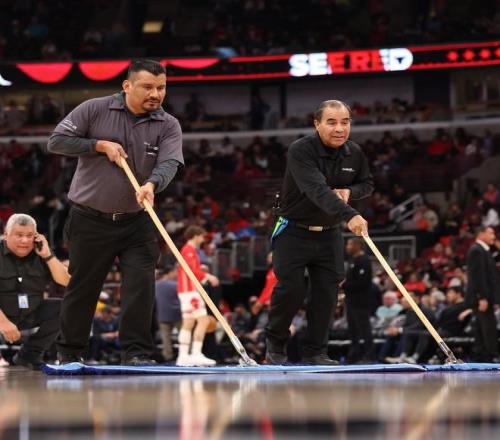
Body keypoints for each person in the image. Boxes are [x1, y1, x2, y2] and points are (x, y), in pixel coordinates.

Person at [47, 59, 184, 365]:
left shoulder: (168, 124)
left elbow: (169, 162)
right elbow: (56, 141)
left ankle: (136, 354)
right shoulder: (94, 109)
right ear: (127, 85)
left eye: (161, 87)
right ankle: (70, 353)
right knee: (83, 288)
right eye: (147, 87)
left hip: (138, 220)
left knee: (140, 287)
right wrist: (98, 145)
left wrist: (152, 184)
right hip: (90, 218)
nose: (156, 94)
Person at [265, 100, 373, 365]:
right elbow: (317, 190)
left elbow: (367, 184)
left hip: (329, 233)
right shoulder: (300, 150)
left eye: (345, 122)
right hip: (292, 229)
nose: (340, 128)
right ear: (317, 124)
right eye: (331, 122)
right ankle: (275, 345)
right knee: (291, 289)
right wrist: (350, 214)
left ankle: (315, 352)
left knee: (327, 294)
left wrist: (350, 192)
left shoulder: (354, 152)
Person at [0, 214, 70, 369]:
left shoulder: (41, 252)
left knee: (69, 307)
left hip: (30, 313)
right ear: (6, 235)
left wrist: (47, 255)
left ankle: (29, 355)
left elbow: (66, 281)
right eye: (19, 235)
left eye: (29, 235)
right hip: (2, 314)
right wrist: (3, 322)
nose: (25, 240)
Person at [176, 226, 220, 366]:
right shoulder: (189, 250)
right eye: (202, 237)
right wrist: (208, 276)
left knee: (189, 322)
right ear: (195, 236)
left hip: (186, 290)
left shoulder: (188, 250)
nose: (203, 240)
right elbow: (190, 270)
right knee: (203, 320)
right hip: (190, 291)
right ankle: (196, 353)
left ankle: (183, 356)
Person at [466, 226, 500, 362]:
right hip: (482, 298)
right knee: (487, 328)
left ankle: (483, 356)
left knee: (482, 327)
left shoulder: (483, 250)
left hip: (485, 297)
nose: (493, 236)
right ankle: (491, 356)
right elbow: (478, 277)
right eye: (491, 233)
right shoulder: (477, 250)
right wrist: (482, 297)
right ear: (481, 234)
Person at [343, 237, 375, 364]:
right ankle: (353, 356)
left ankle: (370, 355)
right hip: (351, 301)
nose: (347, 247)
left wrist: (344, 285)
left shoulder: (364, 261)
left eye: (349, 244)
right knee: (352, 330)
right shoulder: (352, 260)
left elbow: (363, 282)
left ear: (357, 246)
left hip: (361, 302)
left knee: (364, 329)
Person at [155, 265, 181, 362]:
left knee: (165, 339)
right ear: (169, 273)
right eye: (175, 272)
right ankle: (186, 354)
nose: (176, 274)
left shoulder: (156, 285)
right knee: (184, 336)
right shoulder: (176, 284)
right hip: (178, 314)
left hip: (162, 315)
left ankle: (167, 357)